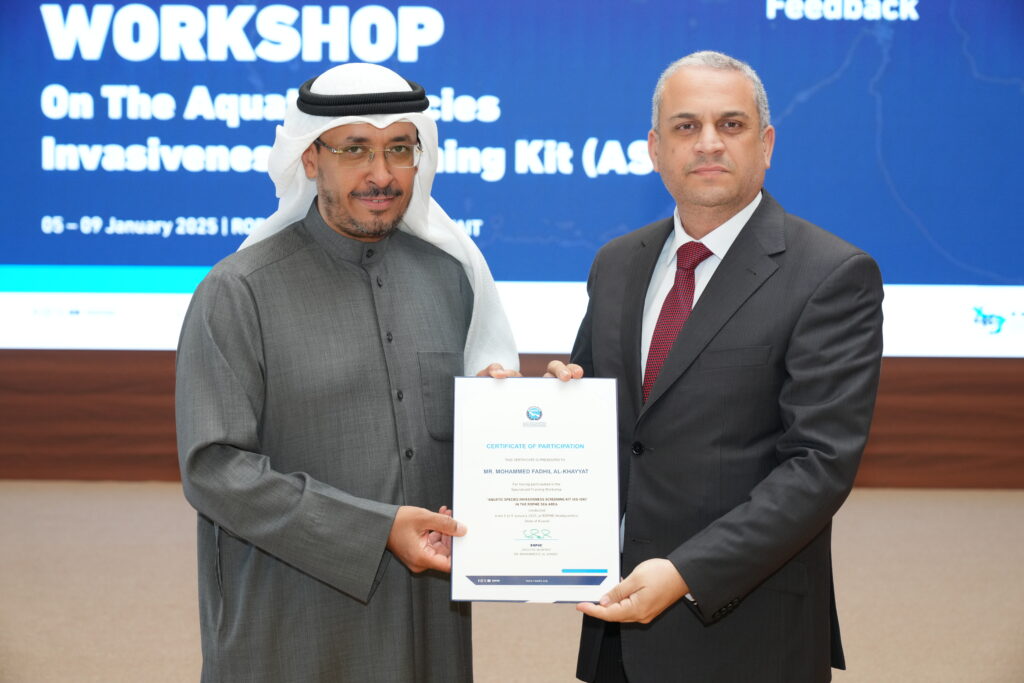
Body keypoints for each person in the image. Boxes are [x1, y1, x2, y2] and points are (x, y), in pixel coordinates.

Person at [175, 63, 519, 683]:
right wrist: (375, 530)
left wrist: (534, 420)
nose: (381, 174)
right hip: (291, 618)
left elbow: (474, 447)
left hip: (427, 621)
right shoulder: (238, 292)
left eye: (399, 149)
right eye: (355, 149)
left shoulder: (451, 279)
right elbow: (214, 469)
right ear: (310, 158)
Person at [546, 50, 884, 682]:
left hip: (746, 625)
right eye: (685, 126)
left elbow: (818, 465)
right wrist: (551, 405)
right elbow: (610, 419)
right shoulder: (616, 263)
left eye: (731, 124)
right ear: (655, 149)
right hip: (618, 622)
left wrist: (685, 572)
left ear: (766, 144)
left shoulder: (831, 274)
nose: (707, 142)